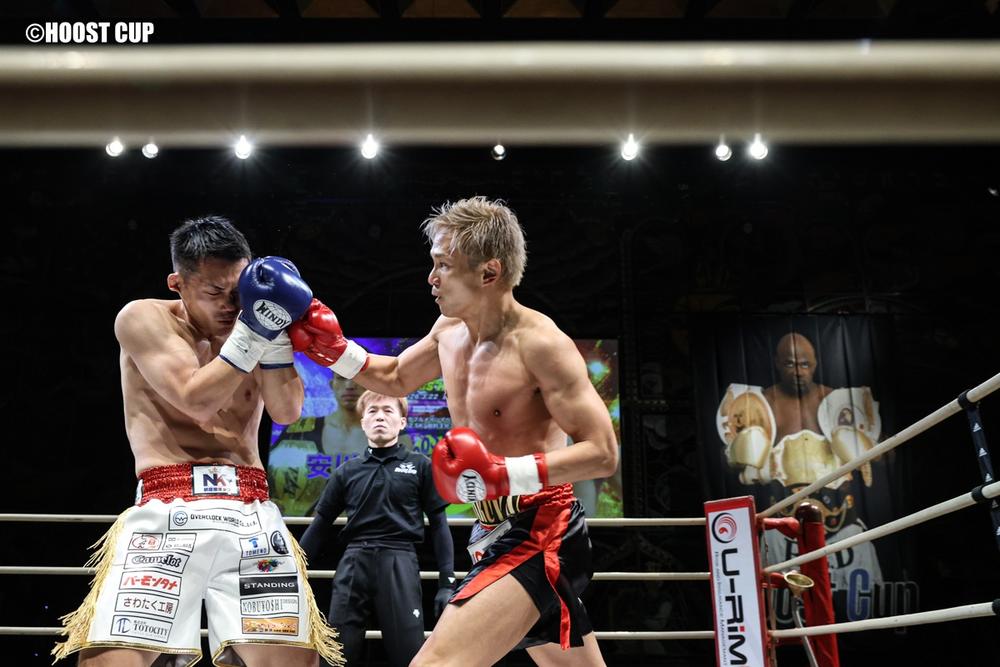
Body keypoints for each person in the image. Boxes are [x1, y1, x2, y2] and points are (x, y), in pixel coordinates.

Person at [291, 197, 619, 666]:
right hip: (490, 529)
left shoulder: (541, 345)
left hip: (541, 530)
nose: (431, 277)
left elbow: (603, 452)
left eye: (443, 265)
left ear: (489, 272)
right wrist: (332, 349)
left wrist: (503, 473)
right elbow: (395, 376)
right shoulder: (449, 329)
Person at [53, 216, 341, 667]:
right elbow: (196, 400)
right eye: (214, 292)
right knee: (112, 661)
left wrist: (276, 338)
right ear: (178, 283)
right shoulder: (143, 318)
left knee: (290, 660)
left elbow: (287, 411)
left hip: (249, 511)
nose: (231, 305)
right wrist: (256, 331)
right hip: (167, 508)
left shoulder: (257, 320)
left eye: (238, 291)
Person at [299, 390, 455, 667]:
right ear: (363, 423)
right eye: (372, 411)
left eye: (387, 410)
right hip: (353, 564)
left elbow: (439, 525)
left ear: (402, 422)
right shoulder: (346, 471)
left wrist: (447, 582)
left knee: (409, 655)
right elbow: (320, 525)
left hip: (399, 561)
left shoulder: (420, 466)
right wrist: (293, 573)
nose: (380, 417)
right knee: (336, 657)